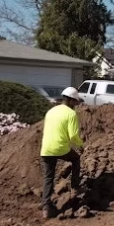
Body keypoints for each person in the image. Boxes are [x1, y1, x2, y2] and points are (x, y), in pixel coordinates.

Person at [40, 86, 84, 218]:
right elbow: (73, 136)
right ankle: (75, 188)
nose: (76, 105)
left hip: (46, 148)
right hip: (60, 148)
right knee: (76, 159)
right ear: (71, 100)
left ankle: (46, 208)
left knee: (48, 177)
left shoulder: (51, 111)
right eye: (75, 102)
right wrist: (81, 145)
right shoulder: (71, 114)